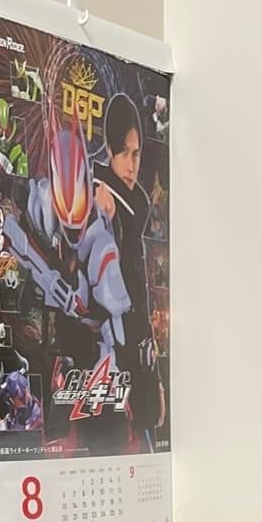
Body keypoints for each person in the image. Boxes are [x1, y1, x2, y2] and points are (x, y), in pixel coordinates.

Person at [93, 91, 166, 447]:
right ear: (109, 149)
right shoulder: (98, 187)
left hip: (138, 329)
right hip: (109, 332)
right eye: (123, 152)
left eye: (135, 154)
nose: (131, 164)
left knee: (150, 423)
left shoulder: (134, 201)